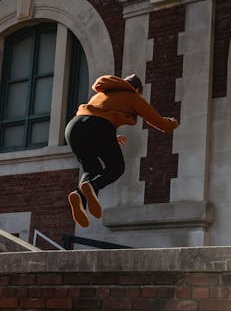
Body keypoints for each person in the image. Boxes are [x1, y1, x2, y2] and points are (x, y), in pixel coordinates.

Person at [64, 74, 179, 227]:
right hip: (99, 127)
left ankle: (78, 196)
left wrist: (109, 137)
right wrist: (172, 124)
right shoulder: (132, 96)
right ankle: (92, 186)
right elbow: (157, 121)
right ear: (137, 89)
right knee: (116, 167)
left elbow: (94, 117)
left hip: (73, 127)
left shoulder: (102, 94)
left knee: (91, 169)